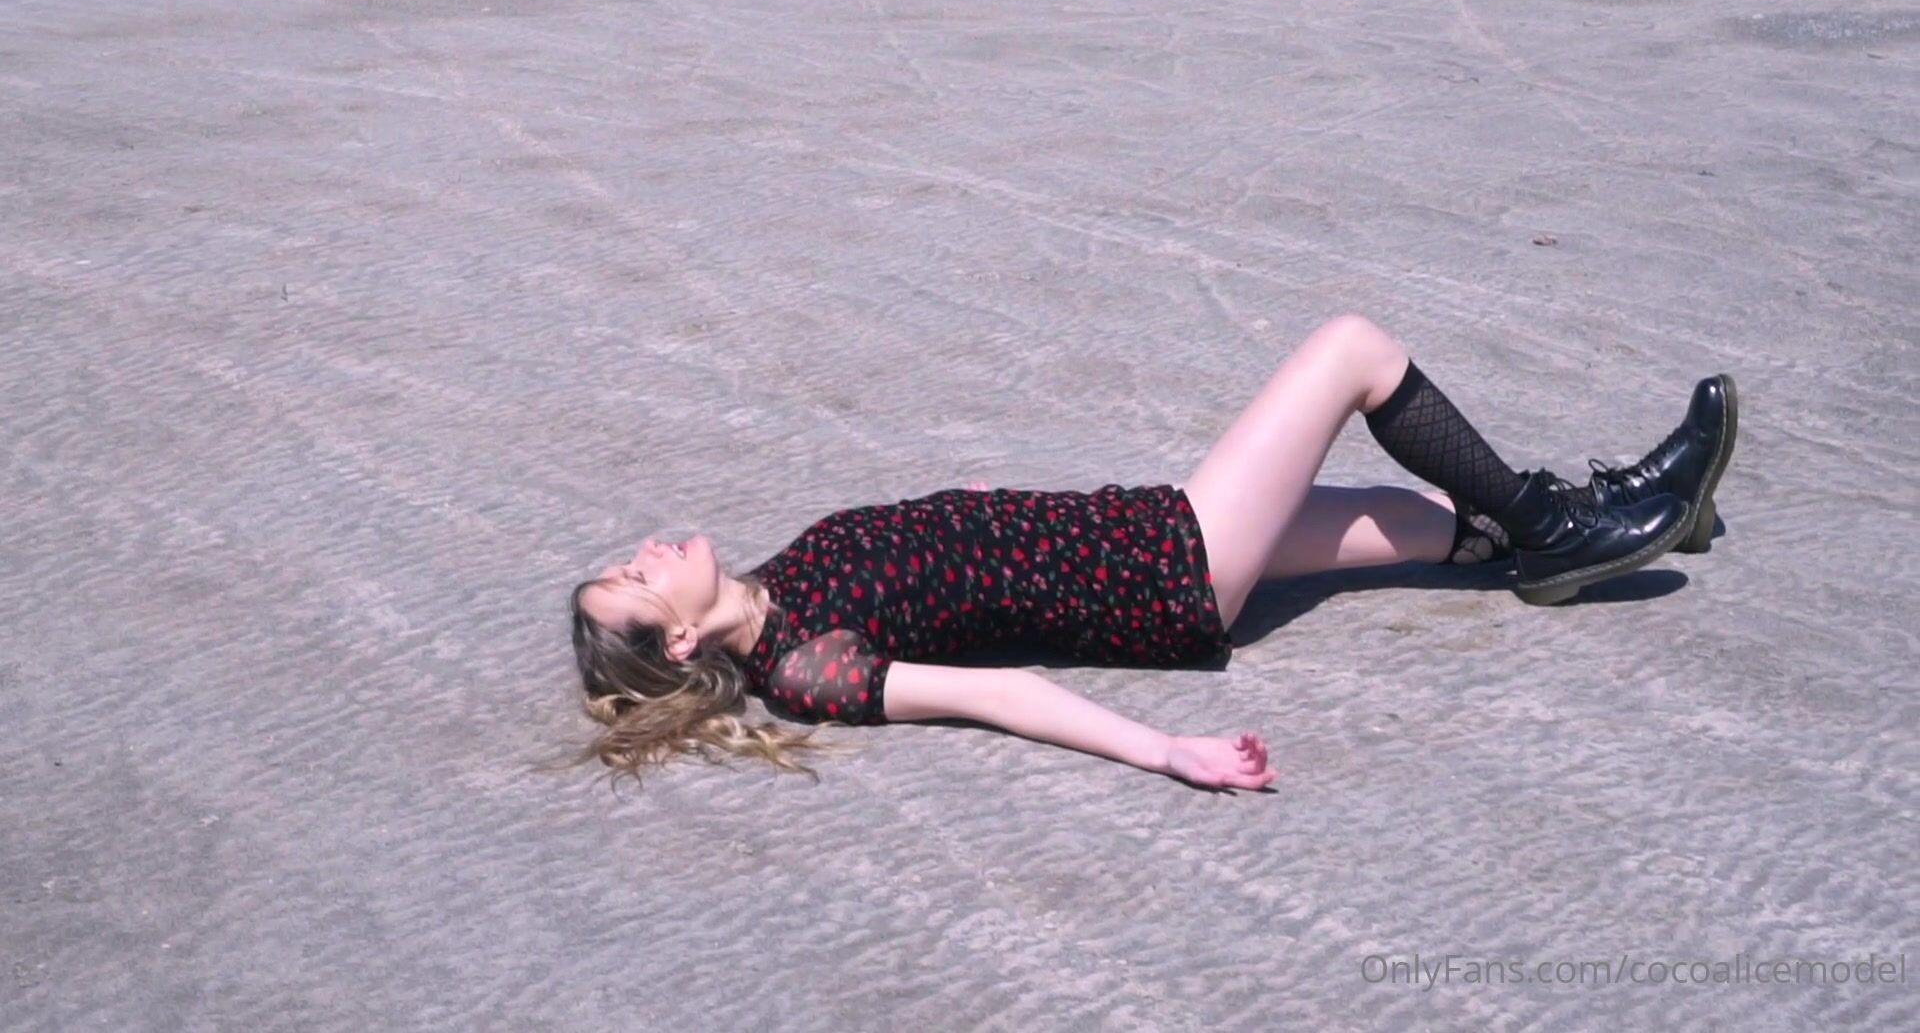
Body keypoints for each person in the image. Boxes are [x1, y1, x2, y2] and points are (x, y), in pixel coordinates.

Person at [569, 314, 1737, 790]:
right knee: (1350, 348)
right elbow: (999, 694)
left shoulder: (780, 578)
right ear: (678, 639)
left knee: (1435, 519)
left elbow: (948, 554)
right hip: (1165, 572)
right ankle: (1564, 535)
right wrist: (1167, 751)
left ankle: (1626, 512)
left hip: (1140, 527)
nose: (646, 551)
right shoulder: (806, 668)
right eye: (635, 579)